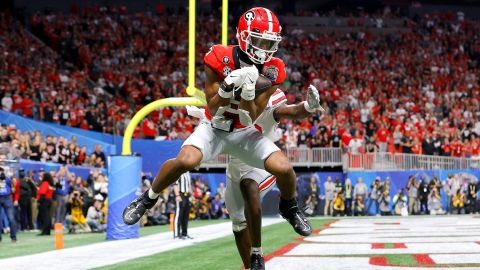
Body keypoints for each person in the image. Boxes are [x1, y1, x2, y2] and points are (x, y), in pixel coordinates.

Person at [123, 7, 312, 247]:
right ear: (244, 36)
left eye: (269, 42)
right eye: (259, 40)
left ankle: (290, 206)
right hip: (215, 125)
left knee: (284, 168)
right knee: (186, 161)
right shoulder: (219, 57)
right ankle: (147, 199)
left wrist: (248, 90)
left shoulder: (274, 69)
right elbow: (212, 108)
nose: (264, 48)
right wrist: (227, 88)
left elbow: (249, 117)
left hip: (243, 131)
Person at [186, 81, 322, 268]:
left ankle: (284, 217)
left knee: (249, 186)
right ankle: (251, 266)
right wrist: (204, 116)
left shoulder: (269, 99)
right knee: (238, 225)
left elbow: (291, 111)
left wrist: (308, 106)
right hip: (235, 165)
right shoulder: (236, 95)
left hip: (260, 164)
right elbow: (219, 121)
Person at [173, 171, 192, 239]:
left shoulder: (187, 172)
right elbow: (175, 184)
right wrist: (177, 195)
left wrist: (191, 195)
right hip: (180, 194)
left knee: (185, 215)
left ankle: (184, 233)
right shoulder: (178, 171)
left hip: (187, 195)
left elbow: (189, 185)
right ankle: (176, 234)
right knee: (178, 215)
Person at [0, 167, 17, 242]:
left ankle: (13, 237)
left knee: (11, 218)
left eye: (1, 171)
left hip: (7, 198)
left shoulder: (7, 179)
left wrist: (12, 179)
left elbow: (13, 190)